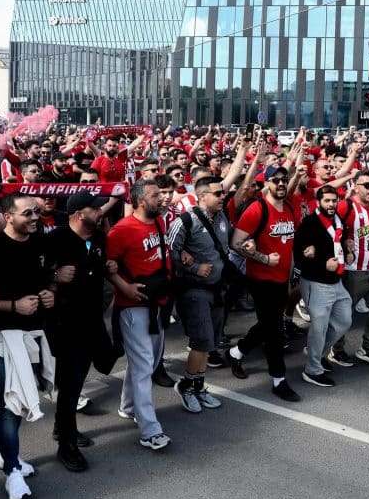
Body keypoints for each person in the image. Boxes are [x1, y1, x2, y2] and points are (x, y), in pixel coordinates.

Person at [0, 193, 57, 499]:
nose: (35, 217)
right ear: (8, 217)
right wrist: (12, 306)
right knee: (9, 402)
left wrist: (50, 292)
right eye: (28, 213)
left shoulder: (40, 243)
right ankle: (12, 471)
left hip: (34, 332)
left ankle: (5, 454)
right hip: (0, 335)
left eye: (37, 211)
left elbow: (50, 277)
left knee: (20, 400)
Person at [48, 191, 118, 472]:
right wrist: (54, 276)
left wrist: (108, 266)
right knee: (70, 384)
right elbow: (31, 272)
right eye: (96, 208)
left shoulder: (99, 238)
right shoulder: (55, 239)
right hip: (65, 325)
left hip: (91, 321)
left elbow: (97, 270)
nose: (102, 211)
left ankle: (60, 428)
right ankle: (66, 446)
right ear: (79, 214)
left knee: (78, 381)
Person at [107, 179, 174, 450]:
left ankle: (128, 406)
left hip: (157, 301)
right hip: (134, 307)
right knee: (145, 363)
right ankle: (150, 429)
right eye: (156, 195)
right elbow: (107, 266)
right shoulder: (121, 230)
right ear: (140, 201)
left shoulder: (158, 222)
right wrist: (125, 287)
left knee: (144, 361)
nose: (163, 198)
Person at [226, 165, 302, 402]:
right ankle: (279, 380)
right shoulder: (257, 209)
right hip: (260, 280)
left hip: (281, 279)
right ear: (267, 183)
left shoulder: (289, 207)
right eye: (275, 180)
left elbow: (289, 241)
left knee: (268, 324)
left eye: (284, 180)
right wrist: (264, 259)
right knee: (275, 332)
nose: (280, 184)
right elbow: (236, 243)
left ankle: (236, 352)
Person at [167, 176, 228, 411]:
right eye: (218, 194)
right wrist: (193, 267)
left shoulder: (222, 218)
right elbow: (170, 253)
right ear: (202, 196)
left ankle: (198, 387)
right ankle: (187, 387)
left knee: (209, 343)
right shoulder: (185, 221)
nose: (223, 197)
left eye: (223, 193)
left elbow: (228, 243)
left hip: (217, 289)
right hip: (194, 291)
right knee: (201, 341)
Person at [330, 171, 369, 367]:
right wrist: (343, 242)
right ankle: (336, 348)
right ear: (355, 187)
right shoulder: (345, 206)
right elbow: (328, 229)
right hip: (352, 270)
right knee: (344, 314)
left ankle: (368, 346)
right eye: (366, 185)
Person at [294, 185, 351, 387]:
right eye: (326, 201)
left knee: (344, 321)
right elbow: (298, 254)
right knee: (319, 327)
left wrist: (348, 247)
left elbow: (339, 242)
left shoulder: (338, 221)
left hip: (336, 281)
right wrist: (322, 262)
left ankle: (316, 353)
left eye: (334, 200)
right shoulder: (310, 223)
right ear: (318, 202)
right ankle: (312, 370)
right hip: (315, 283)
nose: (331, 204)